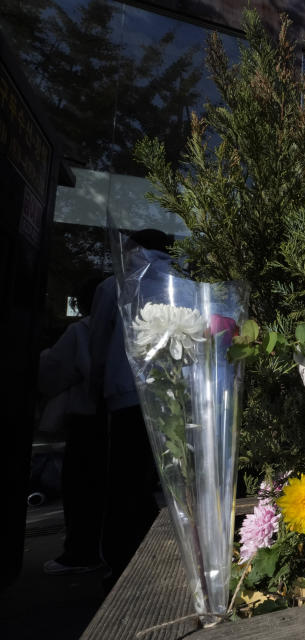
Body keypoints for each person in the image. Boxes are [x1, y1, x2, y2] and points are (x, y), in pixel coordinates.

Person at [89, 229, 173, 586]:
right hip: (171, 396)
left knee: (124, 479)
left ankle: (121, 558)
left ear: (134, 249)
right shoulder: (178, 281)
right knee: (165, 476)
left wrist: (96, 385)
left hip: (126, 396)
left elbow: (97, 344)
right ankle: (164, 549)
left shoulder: (114, 286)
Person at [37, 277, 107, 574]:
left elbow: (53, 373)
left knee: (81, 488)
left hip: (86, 420)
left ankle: (81, 551)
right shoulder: (127, 327)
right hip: (116, 417)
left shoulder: (81, 331)